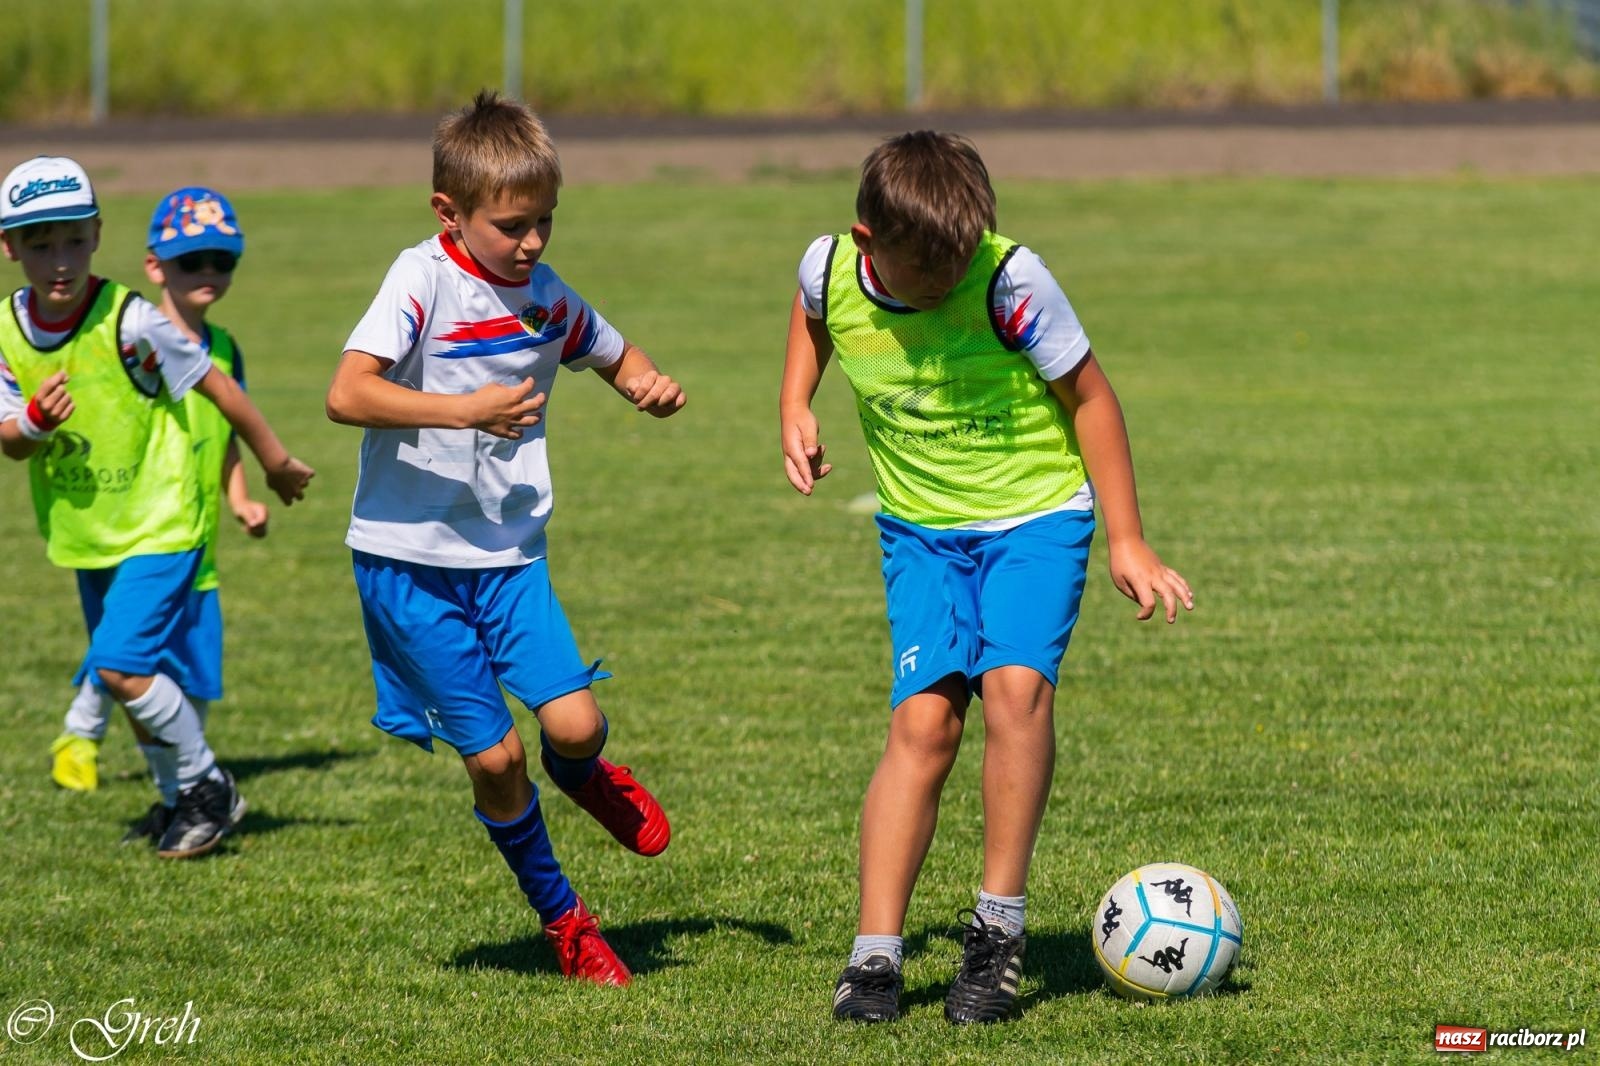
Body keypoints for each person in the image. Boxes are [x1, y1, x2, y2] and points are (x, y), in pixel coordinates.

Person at [779, 131, 1195, 1025]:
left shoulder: (1010, 280)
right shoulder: (828, 268)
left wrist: (1128, 539)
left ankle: (996, 935)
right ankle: (876, 956)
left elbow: (1091, 396)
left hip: (1036, 519)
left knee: (1014, 695)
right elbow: (811, 318)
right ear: (866, 241)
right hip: (921, 533)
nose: (944, 283)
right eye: (926, 271)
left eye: (955, 263)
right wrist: (794, 405)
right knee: (922, 726)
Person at [325, 90, 683, 987]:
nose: (531, 244)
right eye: (513, 225)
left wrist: (643, 384)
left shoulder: (544, 294)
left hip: (509, 559)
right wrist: (465, 409)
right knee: (496, 756)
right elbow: (347, 395)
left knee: (574, 725)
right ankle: (565, 920)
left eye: (546, 222)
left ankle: (586, 774)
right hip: (409, 563)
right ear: (450, 212)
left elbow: (604, 346)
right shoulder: (421, 280)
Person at [0, 156, 313, 858]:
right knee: (140, 678)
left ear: (97, 234)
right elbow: (10, 443)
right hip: (89, 532)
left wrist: (273, 461)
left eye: (74, 240)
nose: (60, 261)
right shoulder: (4, 332)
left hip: (163, 523)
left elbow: (221, 388)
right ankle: (179, 802)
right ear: (9, 246)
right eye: (41, 243)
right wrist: (37, 427)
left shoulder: (132, 320)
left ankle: (208, 786)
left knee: (118, 664)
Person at [48, 186, 271, 826]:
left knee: (185, 682)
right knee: (128, 662)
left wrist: (242, 496)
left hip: (196, 546)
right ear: (155, 266)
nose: (207, 274)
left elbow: (228, 435)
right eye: (190, 260)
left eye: (221, 262)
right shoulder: (130, 337)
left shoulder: (225, 349)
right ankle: (176, 789)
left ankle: (178, 794)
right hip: (141, 534)